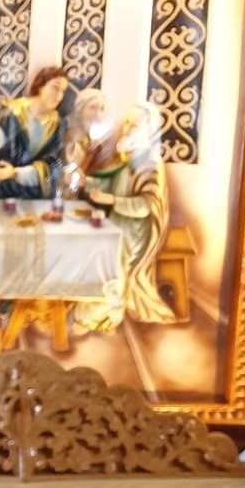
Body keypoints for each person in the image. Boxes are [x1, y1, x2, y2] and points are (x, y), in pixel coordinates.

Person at [85, 102, 174, 324]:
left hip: (136, 231)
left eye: (133, 126)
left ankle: (103, 311)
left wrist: (112, 201)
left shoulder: (149, 162)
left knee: (105, 253)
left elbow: (146, 206)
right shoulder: (129, 158)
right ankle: (91, 302)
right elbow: (109, 185)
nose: (125, 130)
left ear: (147, 131)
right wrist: (84, 182)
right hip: (118, 222)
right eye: (125, 124)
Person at [0, 65, 71, 199]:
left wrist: (16, 173)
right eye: (55, 88)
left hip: (36, 192)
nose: (59, 96)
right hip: (6, 187)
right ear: (41, 86)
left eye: (63, 91)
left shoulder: (58, 125)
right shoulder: (14, 111)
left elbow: (54, 163)